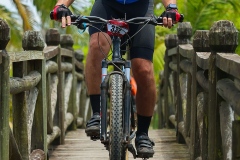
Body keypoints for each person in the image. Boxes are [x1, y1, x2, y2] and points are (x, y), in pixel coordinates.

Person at [51, 0, 182, 158]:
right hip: (107, 6)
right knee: (96, 45)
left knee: (143, 68)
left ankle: (142, 135)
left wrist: (171, 8)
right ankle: (97, 114)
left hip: (140, 9)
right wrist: (61, 5)